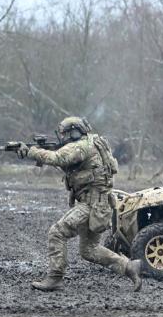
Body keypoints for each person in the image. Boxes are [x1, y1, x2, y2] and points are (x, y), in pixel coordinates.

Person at [13, 117, 142, 292]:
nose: (63, 137)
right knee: (89, 250)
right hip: (100, 204)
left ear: (74, 132)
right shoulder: (95, 142)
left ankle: (55, 277)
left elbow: (58, 157)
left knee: (57, 232)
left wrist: (31, 151)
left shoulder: (81, 147)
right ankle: (128, 267)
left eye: (65, 134)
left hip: (91, 205)